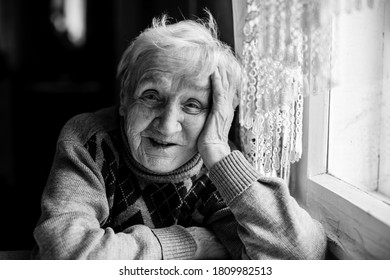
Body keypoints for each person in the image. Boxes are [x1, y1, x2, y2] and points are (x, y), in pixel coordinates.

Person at [32, 13, 327, 260]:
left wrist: (218, 152)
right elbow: (66, 255)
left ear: (218, 116)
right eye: (151, 96)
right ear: (124, 99)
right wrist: (190, 244)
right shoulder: (91, 141)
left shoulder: (217, 174)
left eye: (193, 105)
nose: (168, 124)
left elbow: (300, 255)